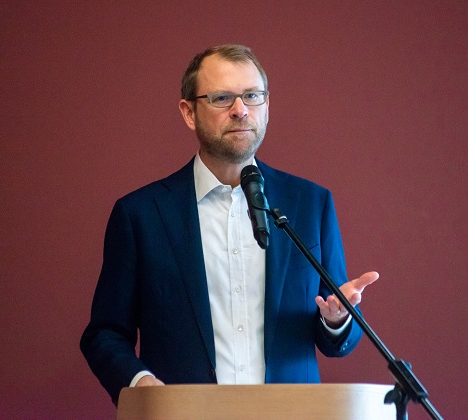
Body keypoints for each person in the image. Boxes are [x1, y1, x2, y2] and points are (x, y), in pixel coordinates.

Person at [80, 44, 379, 404]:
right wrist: (141, 383)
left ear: (266, 105)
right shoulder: (141, 215)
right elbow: (105, 333)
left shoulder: (309, 204)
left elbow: (335, 333)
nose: (240, 110)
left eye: (252, 95)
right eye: (222, 98)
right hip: (183, 415)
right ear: (189, 112)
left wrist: (337, 319)